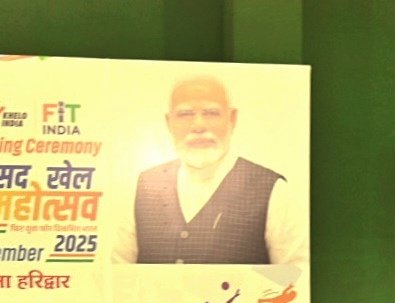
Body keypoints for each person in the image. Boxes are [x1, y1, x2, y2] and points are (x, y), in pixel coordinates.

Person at [115, 76, 306, 266]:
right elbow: (116, 271)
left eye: (211, 113)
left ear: (232, 119)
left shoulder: (273, 190)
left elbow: (294, 276)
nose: (198, 126)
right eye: (185, 114)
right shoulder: (140, 187)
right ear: (169, 122)